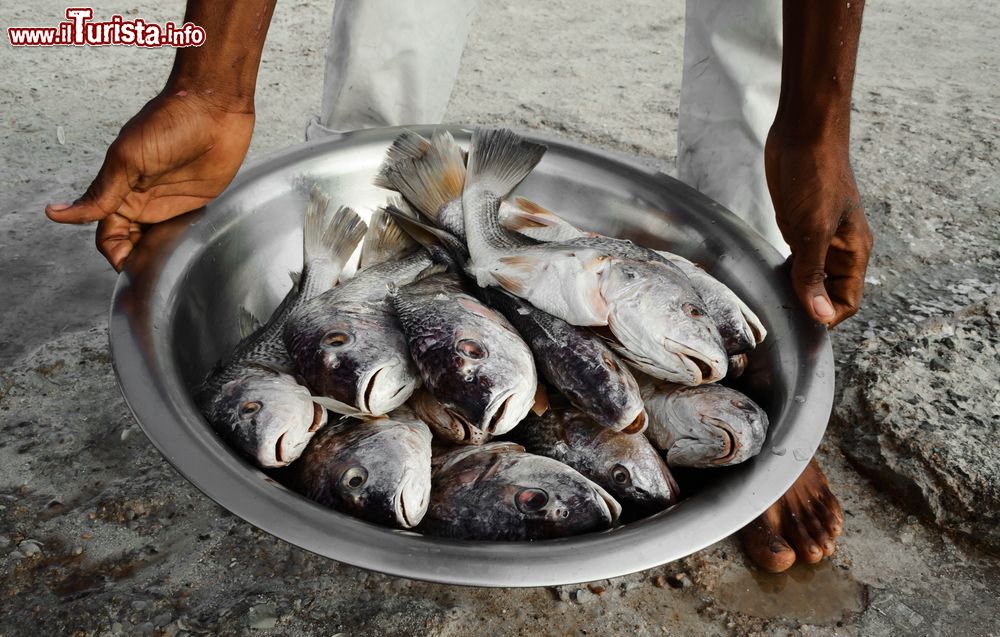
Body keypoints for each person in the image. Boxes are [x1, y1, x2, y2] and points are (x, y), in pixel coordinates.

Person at [45, 0, 872, 574]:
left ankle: (749, 282)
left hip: (529, 309)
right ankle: (372, 206)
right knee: (388, 43)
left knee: (755, 45)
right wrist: (209, 86)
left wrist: (818, 127)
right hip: (469, 311)